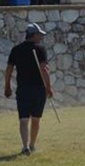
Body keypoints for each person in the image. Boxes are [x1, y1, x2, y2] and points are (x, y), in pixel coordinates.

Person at [4, 23, 53, 156]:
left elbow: (8, 69)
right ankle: (31, 145)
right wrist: (49, 88)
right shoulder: (40, 49)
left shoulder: (16, 49)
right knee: (36, 119)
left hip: (23, 89)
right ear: (34, 35)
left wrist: (7, 86)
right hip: (38, 89)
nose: (41, 37)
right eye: (40, 35)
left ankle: (26, 146)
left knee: (24, 119)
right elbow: (44, 69)